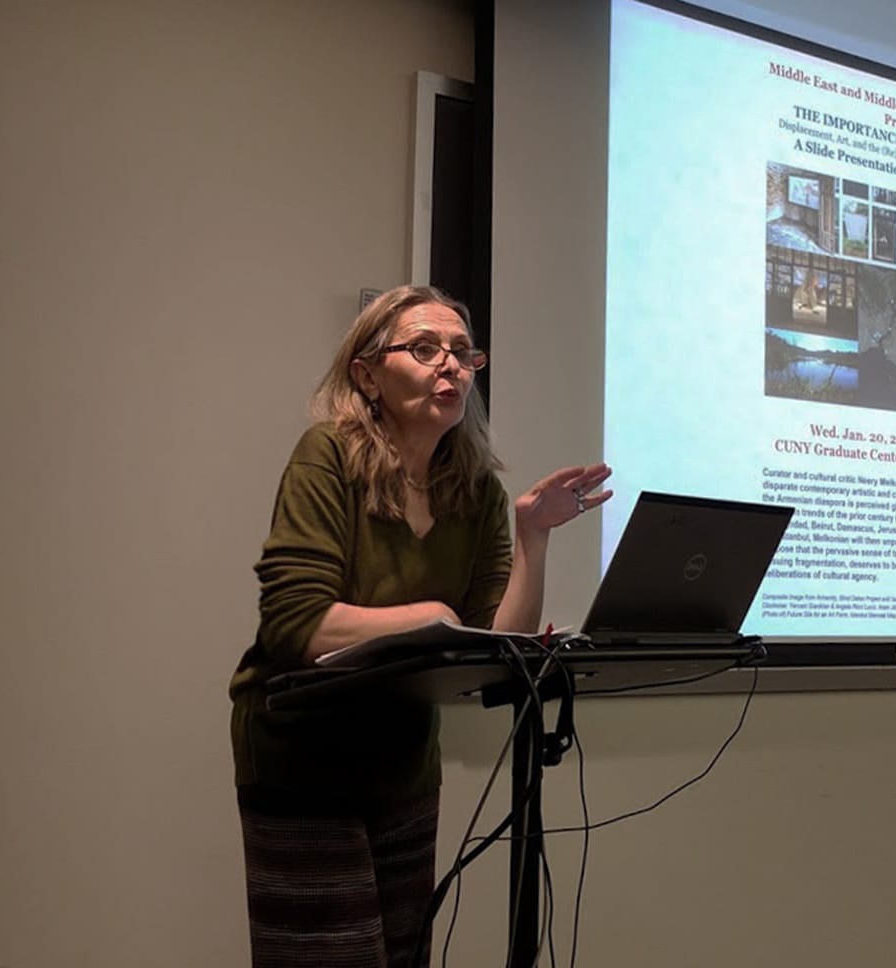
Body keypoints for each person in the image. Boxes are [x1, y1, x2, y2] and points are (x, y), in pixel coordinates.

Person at [228, 284, 611, 967]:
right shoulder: (328, 456)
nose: (451, 366)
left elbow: (504, 645)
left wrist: (532, 538)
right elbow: (297, 623)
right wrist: (432, 618)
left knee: (403, 955)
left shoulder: (477, 490)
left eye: (464, 352)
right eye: (426, 348)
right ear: (368, 374)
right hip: (302, 759)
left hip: (403, 757)